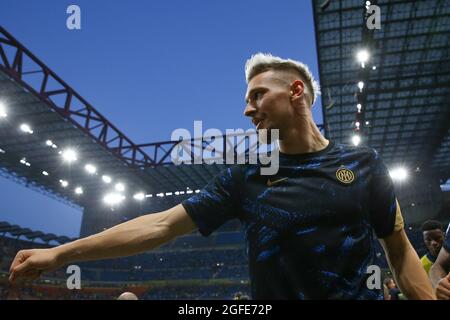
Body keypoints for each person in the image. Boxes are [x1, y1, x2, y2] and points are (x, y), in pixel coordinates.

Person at [8, 53, 435, 300]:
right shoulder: (243, 179)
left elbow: (398, 252)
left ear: (296, 92)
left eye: (257, 95)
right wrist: (61, 254)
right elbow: (159, 225)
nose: (248, 109)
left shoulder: (364, 164)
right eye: (247, 100)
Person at [429, 222, 450, 299]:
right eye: (428, 239)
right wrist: (441, 286)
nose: (433, 243)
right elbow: (438, 266)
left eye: (437, 238)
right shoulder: (420, 263)